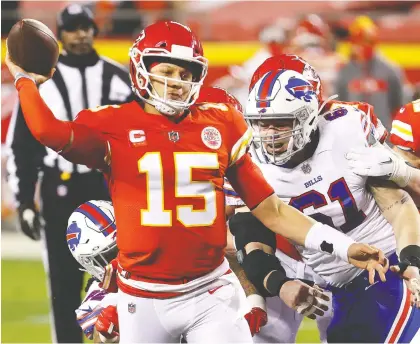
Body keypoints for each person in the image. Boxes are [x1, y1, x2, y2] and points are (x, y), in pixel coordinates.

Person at [6, 20, 387, 343]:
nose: (175, 82)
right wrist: (25, 81)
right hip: (144, 295)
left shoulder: (221, 121)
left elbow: (271, 211)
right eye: (166, 71)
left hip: (210, 289)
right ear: (142, 68)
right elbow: (49, 131)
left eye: (185, 74)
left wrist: (344, 247)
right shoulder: (113, 124)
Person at [229, 53, 420, 343]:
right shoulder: (249, 160)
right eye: (260, 123)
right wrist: (280, 285)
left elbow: (397, 203)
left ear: (309, 115)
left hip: (387, 263)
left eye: (280, 123)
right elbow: (250, 241)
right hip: (333, 285)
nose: (268, 134)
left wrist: (411, 259)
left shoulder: (348, 125)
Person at [5, 4, 132, 343]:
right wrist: (25, 202)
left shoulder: (117, 76)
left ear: (95, 29)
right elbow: (22, 146)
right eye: (73, 28)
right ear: (59, 35)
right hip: (58, 189)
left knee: (121, 277)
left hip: (106, 187)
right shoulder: (39, 83)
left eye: (86, 26)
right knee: (62, 282)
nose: (81, 34)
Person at [335, 15, 404, 130]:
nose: (363, 46)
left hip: (384, 136)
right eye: (359, 41)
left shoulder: (390, 70)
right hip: (353, 135)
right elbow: (338, 107)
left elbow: (400, 106)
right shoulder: (344, 72)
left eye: (367, 41)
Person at [67, 200, 120, 343]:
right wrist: (105, 336)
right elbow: (98, 338)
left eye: (124, 247)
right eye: (112, 254)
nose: (120, 259)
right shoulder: (96, 298)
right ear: (89, 262)